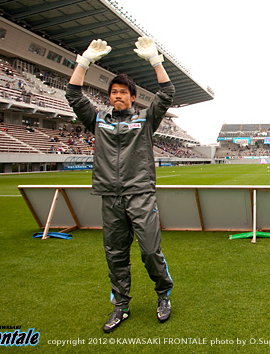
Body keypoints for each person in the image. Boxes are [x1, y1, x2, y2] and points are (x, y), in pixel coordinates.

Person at [65, 37, 174, 332]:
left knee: (150, 250)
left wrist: (155, 60)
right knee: (115, 254)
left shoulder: (145, 120)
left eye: (123, 92)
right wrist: (84, 62)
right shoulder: (98, 120)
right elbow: (73, 95)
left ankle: (163, 295)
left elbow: (167, 93)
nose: (117, 96)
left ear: (133, 97)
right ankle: (121, 305)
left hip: (140, 194)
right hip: (110, 196)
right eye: (113, 92)